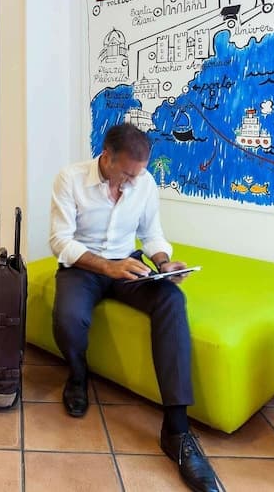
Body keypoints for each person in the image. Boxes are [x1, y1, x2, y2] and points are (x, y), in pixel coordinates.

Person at [48, 123, 223, 492]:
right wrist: (106, 267)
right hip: (83, 267)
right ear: (106, 157)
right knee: (68, 318)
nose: (133, 181)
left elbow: (151, 233)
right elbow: (60, 241)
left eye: (138, 173)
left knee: (172, 299)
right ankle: (77, 376)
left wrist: (164, 263)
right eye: (127, 173)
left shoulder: (144, 182)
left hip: (129, 265)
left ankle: (176, 430)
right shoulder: (70, 179)